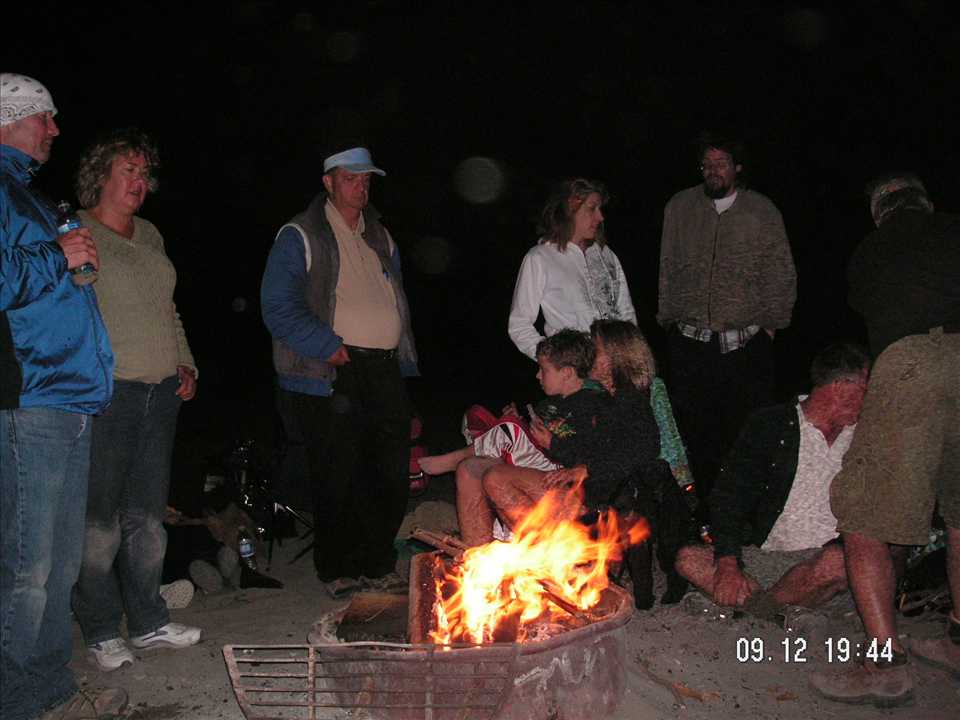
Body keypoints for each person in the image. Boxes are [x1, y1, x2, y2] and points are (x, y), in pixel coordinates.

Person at [0, 74, 125, 720]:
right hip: (31, 397)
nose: (54, 128)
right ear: (9, 118)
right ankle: (17, 698)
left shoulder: (30, 194)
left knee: (60, 564)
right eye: (43, 117)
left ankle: (49, 688)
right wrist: (56, 254)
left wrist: (64, 258)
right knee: (29, 567)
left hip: (70, 396)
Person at [810, 175, 960, 708]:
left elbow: (870, 304)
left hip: (913, 361)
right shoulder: (952, 229)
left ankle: (884, 665)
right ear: (926, 204)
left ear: (880, 214)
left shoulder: (872, 250)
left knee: (863, 510)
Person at [67, 128, 202, 672]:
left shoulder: (149, 234)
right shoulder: (74, 231)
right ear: (100, 175)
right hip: (108, 393)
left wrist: (185, 361)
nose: (140, 182)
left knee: (147, 519)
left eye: (145, 174)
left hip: (159, 392)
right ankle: (101, 630)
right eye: (129, 171)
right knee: (97, 523)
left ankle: (148, 622)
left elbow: (167, 308)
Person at [261, 145, 418, 596]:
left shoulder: (380, 235)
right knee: (338, 472)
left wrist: (403, 357)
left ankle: (377, 562)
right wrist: (325, 345)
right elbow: (277, 305)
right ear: (328, 182)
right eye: (351, 178)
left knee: (388, 471)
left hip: (384, 366)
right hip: (333, 368)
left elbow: (396, 298)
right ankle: (338, 568)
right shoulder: (301, 234)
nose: (361, 186)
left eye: (366, 179)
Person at [675, 342, 871, 619]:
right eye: (865, 387)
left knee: (838, 562)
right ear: (840, 387)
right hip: (768, 556)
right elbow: (730, 494)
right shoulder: (772, 424)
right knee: (689, 558)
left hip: (823, 561)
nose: (871, 396)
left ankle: (753, 611)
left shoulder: (866, 436)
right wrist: (729, 563)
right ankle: (779, 608)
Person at [657, 133, 796, 509]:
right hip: (690, 343)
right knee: (696, 432)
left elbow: (780, 271)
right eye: (707, 164)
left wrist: (772, 325)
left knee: (746, 432)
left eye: (721, 163)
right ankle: (703, 513)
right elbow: (667, 265)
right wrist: (667, 318)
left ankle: (744, 511)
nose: (712, 170)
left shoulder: (761, 211)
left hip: (745, 345)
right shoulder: (680, 207)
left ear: (738, 167)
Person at [422, 330, 608, 545]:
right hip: (541, 468)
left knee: (508, 433)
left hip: (569, 485)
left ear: (566, 372)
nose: (537, 376)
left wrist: (552, 442)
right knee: (468, 469)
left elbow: (598, 457)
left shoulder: (593, 405)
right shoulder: (549, 404)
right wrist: (523, 424)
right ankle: (477, 552)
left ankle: (453, 458)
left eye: (543, 369)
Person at [508, 178, 637, 360]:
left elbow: (627, 313)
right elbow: (519, 325)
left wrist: (631, 356)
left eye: (600, 209)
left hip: (615, 365)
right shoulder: (540, 258)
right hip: (575, 369)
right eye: (592, 208)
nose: (600, 217)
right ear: (570, 209)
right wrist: (555, 361)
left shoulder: (606, 255)